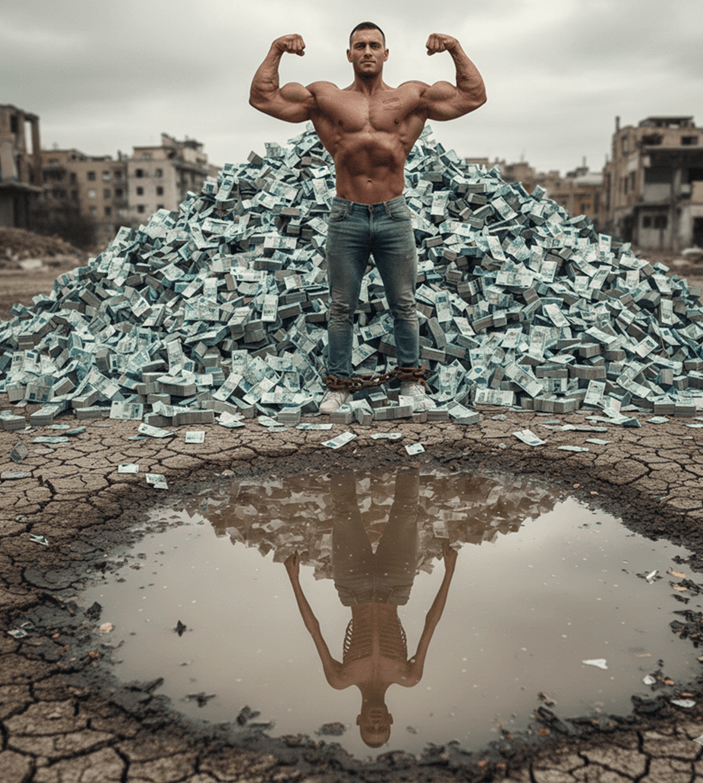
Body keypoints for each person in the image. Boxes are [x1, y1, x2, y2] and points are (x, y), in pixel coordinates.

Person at [250, 22, 487, 413]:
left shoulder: (411, 96)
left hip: (393, 213)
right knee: (341, 307)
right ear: (349, 54)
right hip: (347, 214)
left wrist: (455, 48)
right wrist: (276, 49)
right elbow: (263, 98)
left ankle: (411, 383)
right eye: (359, 45)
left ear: (386, 53)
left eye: (374, 45)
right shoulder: (326, 97)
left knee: (404, 304)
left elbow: (473, 96)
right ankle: (339, 385)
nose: (367, 51)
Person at [283, 470, 458, 747]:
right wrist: (449, 573)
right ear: (390, 719)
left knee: (344, 512)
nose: (375, 722)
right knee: (406, 511)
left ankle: (341, 459)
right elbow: (431, 623)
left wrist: (294, 580)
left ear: (358, 720)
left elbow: (313, 629)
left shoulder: (340, 679)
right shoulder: (409, 676)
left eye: (369, 727)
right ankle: (408, 457)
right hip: (395, 586)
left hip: (353, 587)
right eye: (381, 727)